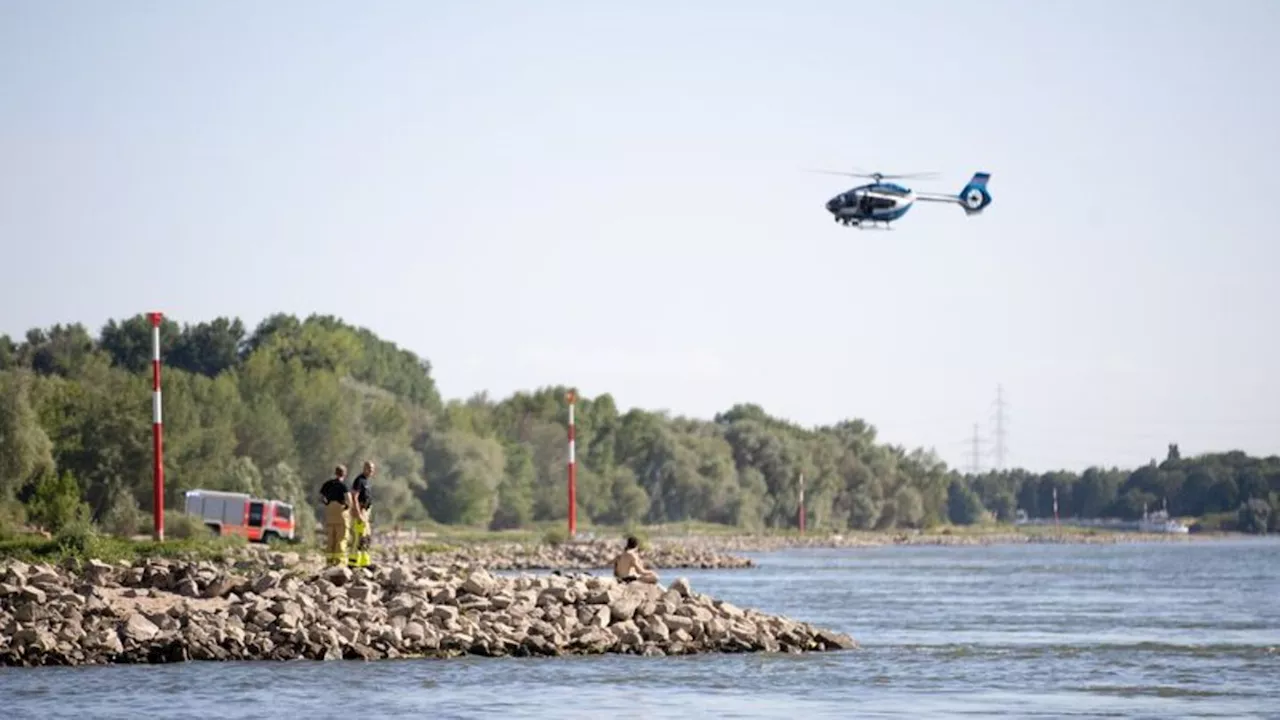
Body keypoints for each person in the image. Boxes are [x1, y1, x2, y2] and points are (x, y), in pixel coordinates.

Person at [319, 464, 352, 566]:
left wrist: (327, 504)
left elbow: (321, 496)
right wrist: (346, 507)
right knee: (341, 538)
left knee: (331, 539)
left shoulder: (328, 484)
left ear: (335, 472)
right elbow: (349, 500)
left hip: (330, 513)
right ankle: (339, 562)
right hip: (340, 513)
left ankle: (329, 562)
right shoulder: (343, 486)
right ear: (344, 474)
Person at [348, 460, 376, 568]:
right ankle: (353, 562)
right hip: (360, 511)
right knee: (358, 538)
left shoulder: (366, 481)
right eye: (369, 469)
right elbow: (354, 497)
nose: (371, 471)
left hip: (366, 512)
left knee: (366, 538)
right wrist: (358, 513)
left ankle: (364, 562)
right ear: (364, 468)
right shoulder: (359, 480)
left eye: (372, 469)